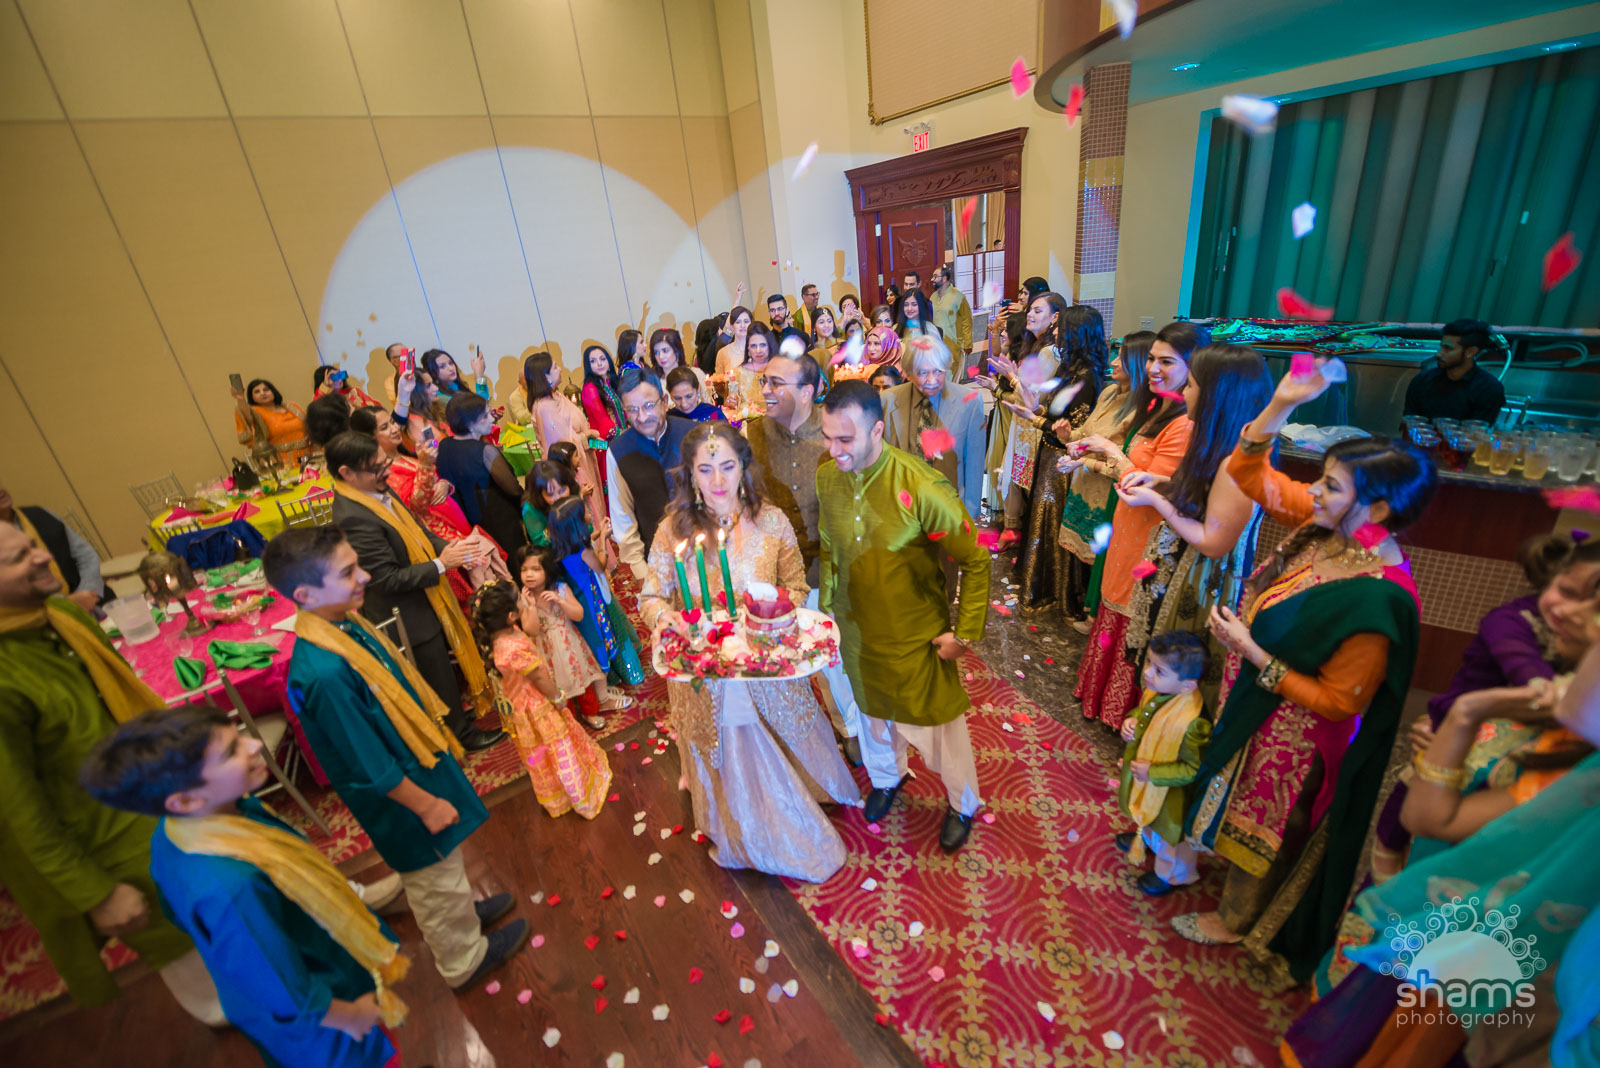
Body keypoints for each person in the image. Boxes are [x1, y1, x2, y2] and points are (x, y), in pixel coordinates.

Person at [1170, 362, 1436, 988]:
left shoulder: (1378, 598)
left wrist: (1251, 650)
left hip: (1299, 736)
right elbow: (1248, 473)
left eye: (1331, 486)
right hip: (1259, 704)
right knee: (1236, 801)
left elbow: (1339, 703)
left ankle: (1237, 921)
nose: (1313, 492)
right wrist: (1281, 405)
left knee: (1265, 824)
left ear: (1377, 508)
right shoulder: (1329, 529)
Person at [263, 528, 527, 993]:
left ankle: (463, 913)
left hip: (414, 771)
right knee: (432, 878)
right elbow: (370, 766)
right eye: (348, 572)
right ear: (305, 594)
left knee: (444, 868)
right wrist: (426, 805)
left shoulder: (341, 624)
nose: (364, 576)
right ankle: (463, 959)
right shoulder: (324, 672)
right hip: (402, 799)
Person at [81, 706, 406, 1068]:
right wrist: (351, 1015)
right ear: (186, 800)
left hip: (315, 966)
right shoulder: (231, 889)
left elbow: (180, 917)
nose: (255, 745)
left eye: (240, 735)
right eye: (231, 751)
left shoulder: (176, 830)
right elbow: (284, 993)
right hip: (329, 1027)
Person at [0, 523, 224, 1023]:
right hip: (112, 845)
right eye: (16, 560)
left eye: (31, 547)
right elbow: (16, 818)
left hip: (160, 793)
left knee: (229, 909)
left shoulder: (58, 614)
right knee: (199, 966)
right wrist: (96, 894)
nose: (41, 557)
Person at [638, 421, 858, 880]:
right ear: (690, 475)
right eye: (705, 469)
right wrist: (665, 618)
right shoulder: (671, 531)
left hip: (766, 661)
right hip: (708, 672)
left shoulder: (772, 521)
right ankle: (742, 828)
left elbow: (796, 586)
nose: (718, 480)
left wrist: (772, 608)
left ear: (743, 466)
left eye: (727, 466)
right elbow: (652, 597)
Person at [818, 381, 992, 851]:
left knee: (939, 728)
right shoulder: (828, 476)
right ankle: (887, 777)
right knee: (872, 715)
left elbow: (976, 559)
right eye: (827, 437)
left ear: (877, 430)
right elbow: (830, 542)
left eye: (845, 439)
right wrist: (829, 609)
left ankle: (962, 803)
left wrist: (965, 634)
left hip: (914, 636)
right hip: (856, 630)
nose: (833, 450)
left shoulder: (921, 486)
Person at [1118, 345, 1276, 712]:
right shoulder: (1222, 445)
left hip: (1201, 579)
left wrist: (1157, 501)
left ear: (1217, 396)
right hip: (1183, 567)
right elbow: (1208, 500)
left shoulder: (1238, 462)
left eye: (1190, 385)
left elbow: (1213, 542)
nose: (1183, 392)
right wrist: (1160, 481)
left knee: (1179, 675)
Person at [325, 432, 504, 752]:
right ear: (347, 473)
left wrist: (448, 548)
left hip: (425, 594)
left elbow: (418, 532)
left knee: (443, 670)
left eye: (385, 463)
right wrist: (441, 564)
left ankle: (456, 718)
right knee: (435, 673)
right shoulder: (353, 517)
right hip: (403, 611)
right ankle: (458, 736)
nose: (386, 472)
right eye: (377, 468)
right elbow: (385, 579)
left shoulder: (376, 487)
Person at [1074, 321, 1208, 728]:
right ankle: (1099, 697)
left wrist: (1110, 451)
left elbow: (1153, 486)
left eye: (1167, 362)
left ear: (1194, 369)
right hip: (1127, 524)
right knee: (1113, 601)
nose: (1153, 368)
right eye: (1151, 358)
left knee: (1132, 610)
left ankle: (1123, 710)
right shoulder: (1155, 409)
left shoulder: (1184, 424)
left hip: (1151, 535)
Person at [470, 580, 612, 817]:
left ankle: (557, 800)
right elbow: (538, 677)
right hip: (538, 707)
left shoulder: (498, 639)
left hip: (521, 710)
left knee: (542, 756)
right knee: (560, 749)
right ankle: (582, 799)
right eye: (519, 598)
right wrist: (557, 697)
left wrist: (529, 606)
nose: (523, 599)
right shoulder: (514, 646)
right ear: (511, 616)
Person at [1004, 300, 1104, 612]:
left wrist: (1035, 418)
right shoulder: (1068, 368)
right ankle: (1039, 583)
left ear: (1077, 334)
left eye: (1062, 329)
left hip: (1063, 461)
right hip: (1048, 452)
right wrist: (1036, 408)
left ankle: (1057, 591)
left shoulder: (1088, 377)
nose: (1056, 333)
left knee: (1052, 522)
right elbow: (1054, 412)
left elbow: (1070, 432)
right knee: (1041, 519)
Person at [1055, 332, 1150, 626]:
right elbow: (1088, 435)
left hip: (1108, 495)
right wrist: (1068, 436)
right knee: (1082, 558)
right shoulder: (1109, 392)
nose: (1114, 362)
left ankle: (1096, 616)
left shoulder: (1142, 407)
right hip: (1084, 487)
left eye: (1122, 357)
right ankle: (1083, 607)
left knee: (1103, 560)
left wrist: (1083, 461)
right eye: (1115, 355)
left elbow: (1124, 464)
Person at [1115, 630, 1211, 896]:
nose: (1147, 672)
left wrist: (1153, 772)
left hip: (1172, 795)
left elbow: (1192, 769)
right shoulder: (1162, 690)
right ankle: (1145, 840)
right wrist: (1132, 721)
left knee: (1171, 839)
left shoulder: (1193, 723)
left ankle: (1172, 875)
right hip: (1150, 782)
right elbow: (1147, 713)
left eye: (1159, 670)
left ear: (1187, 686)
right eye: (1149, 662)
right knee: (1150, 820)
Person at [512, 545, 630, 729]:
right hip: (546, 651)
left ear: (548, 570)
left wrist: (560, 601)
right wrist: (532, 606)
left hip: (569, 645)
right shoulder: (524, 598)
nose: (528, 575)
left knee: (581, 678)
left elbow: (579, 614)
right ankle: (569, 719)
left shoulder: (560, 588)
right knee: (556, 685)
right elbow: (531, 630)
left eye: (535, 569)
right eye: (524, 569)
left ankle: (590, 712)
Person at [880, 333, 986, 519]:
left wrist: (969, 518)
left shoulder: (969, 402)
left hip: (949, 512)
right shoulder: (887, 400)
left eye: (938, 371)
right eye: (923, 373)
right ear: (909, 373)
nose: (932, 380)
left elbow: (974, 469)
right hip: (901, 512)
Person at [522, 352, 613, 566]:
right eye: (555, 367)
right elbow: (560, 449)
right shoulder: (544, 407)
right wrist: (585, 436)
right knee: (585, 513)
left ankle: (603, 555)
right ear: (545, 376)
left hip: (582, 459)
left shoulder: (556, 397)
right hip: (571, 469)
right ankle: (597, 563)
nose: (560, 369)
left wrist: (585, 434)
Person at [608, 367, 694, 584]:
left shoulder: (692, 434)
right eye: (632, 410)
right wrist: (642, 574)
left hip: (705, 551)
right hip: (656, 562)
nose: (642, 417)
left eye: (648, 406)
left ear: (664, 402)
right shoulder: (618, 452)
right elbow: (623, 519)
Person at [547, 497, 645, 687]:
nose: (590, 512)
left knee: (593, 637)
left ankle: (610, 677)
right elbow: (600, 566)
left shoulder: (560, 546)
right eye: (585, 511)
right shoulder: (583, 550)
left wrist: (599, 532)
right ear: (578, 524)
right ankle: (631, 672)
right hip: (594, 598)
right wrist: (603, 541)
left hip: (577, 597)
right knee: (611, 629)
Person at [434, 392, 527, 556]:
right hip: (500, 522)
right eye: (484, 416)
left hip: (468, 525)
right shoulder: (485, 451)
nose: (491, 419)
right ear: (469, 424)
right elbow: (513, 489)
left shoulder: (444, 446)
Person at [0, 481, 103, 610]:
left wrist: (87, 591)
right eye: (20, 555)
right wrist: (68, 605)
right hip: (38, 614)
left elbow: (85, 555)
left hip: (89, 597)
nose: (46, 557)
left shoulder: (40, 514)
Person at [1401, 317, 1506, 424]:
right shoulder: (1422, 380)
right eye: (1441, 347)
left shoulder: (1489, 389)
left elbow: (1477, 430)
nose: (1438, 354)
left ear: (1471, 351)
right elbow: (1409, 423)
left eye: (1448, 349)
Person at [233, 378, 311, 467]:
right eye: (257, 392)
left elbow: (310, 425)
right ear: (252, 397)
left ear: (273, 391)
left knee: (312, 474)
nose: (262, 393)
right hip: (282, 462)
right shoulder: (255, 412)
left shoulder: (292, 406)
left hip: (307, 456)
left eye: (266, 390)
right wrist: (240, 399)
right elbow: (245, 416)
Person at [894, 288, 951, 374]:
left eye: (914, 304)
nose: (909, 308)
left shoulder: (930, 329)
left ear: (920, 306)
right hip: (900, 374)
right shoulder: (895, 329)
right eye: (906, 305)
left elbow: (937, 358)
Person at [579, 344, 625, 444]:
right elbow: (603, 421)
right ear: (588, 366)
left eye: (603, 359)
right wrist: (625, 435)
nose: (599, 363)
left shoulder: (609, 383)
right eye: (593, 361)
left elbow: (622, 411)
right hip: (604, 443)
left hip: (622, 437)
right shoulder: (589, 389)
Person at [648, 327, 711, 398]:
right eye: (656, 352)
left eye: (665, 351)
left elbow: (707, 401)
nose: (661, 356)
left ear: (677, 351)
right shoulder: (653, 381)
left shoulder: (696, 374)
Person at [928, 265, 973, 365]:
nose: (932, 279)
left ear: (944, 278)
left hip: (954, 346)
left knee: (952, 373)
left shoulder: (958, 296)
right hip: (937, 346)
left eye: (935, 277)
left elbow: (967, 320)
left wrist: (967, 344)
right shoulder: (933, 297)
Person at [421, 348, 491, 402]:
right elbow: (481, 407)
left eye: (451, 363)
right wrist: (479, 376)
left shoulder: (456, 385)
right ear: (432, 373)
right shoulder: (438, 396)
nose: (451, 368)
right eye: (442, 366)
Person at [313, 365, 380, 410]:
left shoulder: (353, 391)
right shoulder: (321, 397)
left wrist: (355, 404)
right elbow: (319, 412)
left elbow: (377, 406)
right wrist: (325, 387)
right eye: (334, 377)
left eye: (340, 375)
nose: (339, 380)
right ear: (323, 381)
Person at [715, 306, 755, 378]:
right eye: (738, 322)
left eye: (746, 321)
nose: (743, 325)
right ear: (732, 326)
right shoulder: (723, 353)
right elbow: (719, 380)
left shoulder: (760, 349)